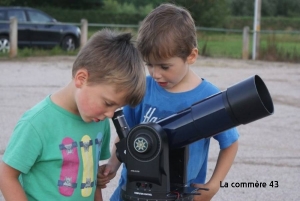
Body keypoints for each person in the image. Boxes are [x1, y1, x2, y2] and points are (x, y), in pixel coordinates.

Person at [98, 3, 239, 201]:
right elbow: (125, 135)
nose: (155, 74)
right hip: (132, 192)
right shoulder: (143, 89)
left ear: (191, 56)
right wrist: (114, 163)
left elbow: (230, 143)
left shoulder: (209, 97)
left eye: (165, 66)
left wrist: (214, 185)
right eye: (149, 65)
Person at [0, 29, 146, 201]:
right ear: (81, 78)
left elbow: (92, 180)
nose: (110, 114)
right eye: (108, 103)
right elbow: (6, 175)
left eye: (117, 107)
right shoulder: (37, 123)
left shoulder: (99, 121)